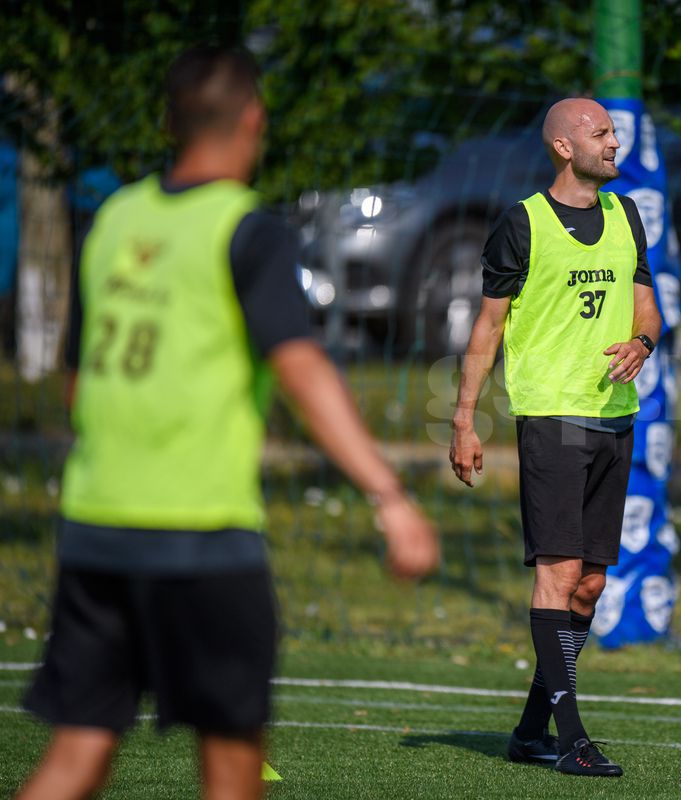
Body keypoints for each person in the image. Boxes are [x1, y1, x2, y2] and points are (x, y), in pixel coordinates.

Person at [17, 46, 439, 800]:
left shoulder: (114, 220)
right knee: (232, 767)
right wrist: (389, 494)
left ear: (169, 123)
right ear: (253, 119)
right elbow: (301, 366)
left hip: (96, 524)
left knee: (76, 754)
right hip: (200, 533)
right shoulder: (248, 229)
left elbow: (78, 382)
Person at [449, 97, 661, 778]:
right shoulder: (524, 223)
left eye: (614, 133)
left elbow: (645, 299)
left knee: (591, 585)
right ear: (566, 147)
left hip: (615, 415)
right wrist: (465, 417)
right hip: (551, 418)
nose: (614, 144)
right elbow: (487, 328)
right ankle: (572, 738)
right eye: (601, 134)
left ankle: (530, 729)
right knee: (558, 572)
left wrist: (642, 341)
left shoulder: (627, 216)